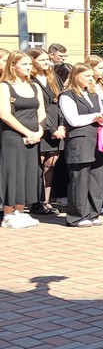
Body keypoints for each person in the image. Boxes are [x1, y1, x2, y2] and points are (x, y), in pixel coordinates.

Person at [58, 63, 103, 227]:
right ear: (76, 76)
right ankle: (77, 216)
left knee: (96, 178)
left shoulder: (93, 94)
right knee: (79, 179)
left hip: (97, 140)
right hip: (79, 141)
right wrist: (95, 116)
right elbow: (73, 120)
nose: (90, 79)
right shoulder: (67, 96)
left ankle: (94, 212)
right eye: (86, 76)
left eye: (91, 76)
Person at [0, 51, 46, 228]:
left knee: (28, 172)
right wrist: (26, 132)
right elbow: (5, 114)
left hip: (33, 137)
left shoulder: (34, 86)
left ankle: (21, 210)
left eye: (29, 64)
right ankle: (8, 213)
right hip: (12, 136)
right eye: (24, 64)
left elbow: (41, 112)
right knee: (12, 172)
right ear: (13, 66)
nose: (28, 67)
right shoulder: (5, 86)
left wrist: (39, 131)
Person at [28, 48, 66, 216]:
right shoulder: (30, 80)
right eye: (42, 60)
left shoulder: (54, 78)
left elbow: (61, 102)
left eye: (46, 60)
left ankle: (46, 201)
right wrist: (51, 128)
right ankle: (35, 201)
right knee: (38, 163)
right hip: (39, 125)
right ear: (33, 61)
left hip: (57, 123)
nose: (46, 63)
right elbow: (38, 108)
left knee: (51, 164)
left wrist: (61, 125)